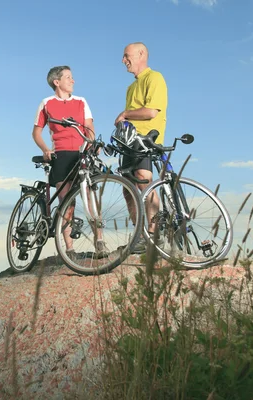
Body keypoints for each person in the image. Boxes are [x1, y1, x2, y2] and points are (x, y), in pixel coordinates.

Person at [32, 65, 106, 258]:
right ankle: (70, 249)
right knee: (66, 201)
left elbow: (89, 127)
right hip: (61, 154)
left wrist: (91, 144)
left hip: (82, 152)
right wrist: (45, 149)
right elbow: (36, 132)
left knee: (89, 197)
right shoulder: (46, 103)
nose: (73, 81)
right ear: (57, 82)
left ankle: (100, 242)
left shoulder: (81, 101)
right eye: (68, 77)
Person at [114, 42, 168, 253]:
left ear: (141, 54)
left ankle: (155, 235)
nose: (123, 60)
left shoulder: (154, 78)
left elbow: (151, 111)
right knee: (127, 189)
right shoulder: (131, 87)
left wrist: (125, 114)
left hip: (147, 138)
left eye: (126, 55)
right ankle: (139, 236)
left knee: (144, 181)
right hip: (129, 141)